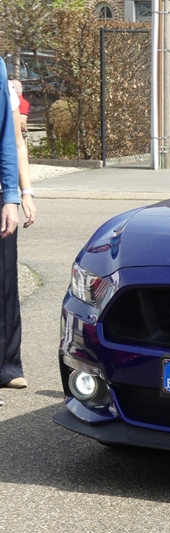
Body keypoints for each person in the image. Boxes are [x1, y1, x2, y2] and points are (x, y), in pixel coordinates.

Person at [1, 68, 37, 399]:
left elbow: (14, 144)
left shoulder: (3, 80)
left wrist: (21, 194)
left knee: (5, 283)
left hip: (1, 194)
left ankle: (8, 366)